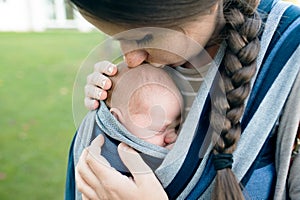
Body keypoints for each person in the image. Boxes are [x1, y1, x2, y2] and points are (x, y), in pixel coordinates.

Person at [65, 0, 300, 199]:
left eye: (145, 37)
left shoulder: (289, 57)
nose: (131, 59)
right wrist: (113, 100)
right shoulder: (149, 65)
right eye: (118, 37)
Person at [89, 62, 183, 177]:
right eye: (159, 130)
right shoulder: (110, 158)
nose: (173, 138)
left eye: (176, 127)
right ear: (116, 120)